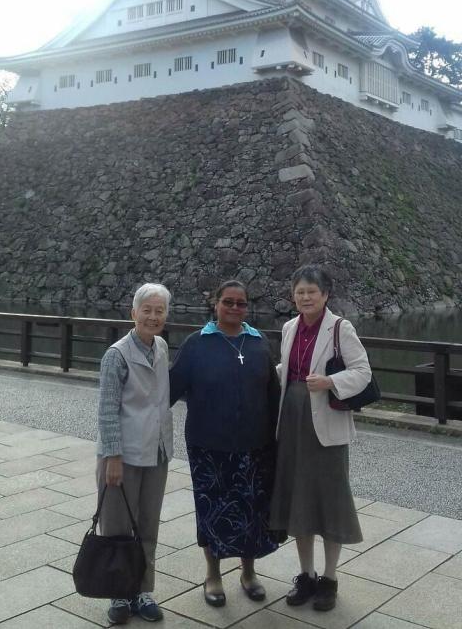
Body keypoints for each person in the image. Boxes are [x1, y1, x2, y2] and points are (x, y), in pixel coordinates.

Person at [170, 280, 281, 607]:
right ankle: (213, 575)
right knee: (212, 511)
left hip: (255, 444)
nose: (234, 308)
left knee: (251, 510)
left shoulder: (258, 342)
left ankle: (249, 573)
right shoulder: (196, 344)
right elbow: (169, 390)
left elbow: (273, 395)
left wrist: (280, 438)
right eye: (228, 302)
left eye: (241, 303)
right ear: (215, 304)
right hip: (209, 445)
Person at [270, 265, 371, 613]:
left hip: (326, 422)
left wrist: (330, 382)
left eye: (312, 291)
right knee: (299, 495)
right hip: (293, 419)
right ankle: (305, 574)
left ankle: (329, 577)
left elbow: (362, 371)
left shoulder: (341, 328)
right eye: (300, 291)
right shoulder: (289, 327)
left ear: (326, 295)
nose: (305, 297)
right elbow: (286, 369)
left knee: (330, 499)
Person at [96, 283, 173, 625]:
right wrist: (112, 456)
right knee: (116, 526)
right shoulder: (117, 354)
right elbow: (107, 409)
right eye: (147, 310)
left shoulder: (161, 346)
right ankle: (117, 592)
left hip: (156, 451)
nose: (153, 317)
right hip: (123, 456)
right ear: (134, 313)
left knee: (147, 525)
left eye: (159, 311)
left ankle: (142, 589)